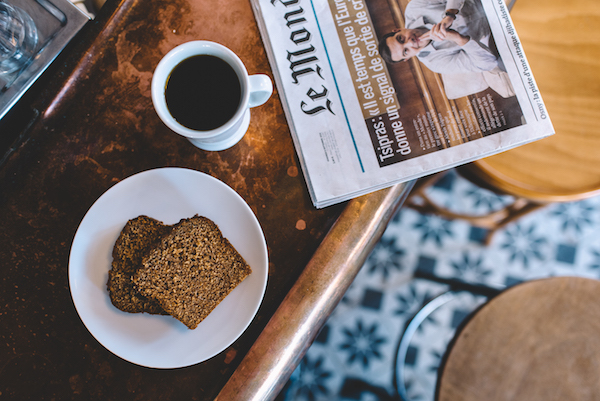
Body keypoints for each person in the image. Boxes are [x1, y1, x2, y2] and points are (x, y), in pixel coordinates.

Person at [379, 0, 500, 74]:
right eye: (406, 51)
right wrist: (458, 38)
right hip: (497, 31)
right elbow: (488, 64)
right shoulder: (435, 63)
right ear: (408, 58)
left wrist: (450, 15)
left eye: (401, 38)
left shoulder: (414, 8)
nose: (410, 43)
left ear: (398, 30)